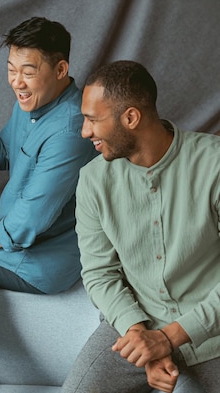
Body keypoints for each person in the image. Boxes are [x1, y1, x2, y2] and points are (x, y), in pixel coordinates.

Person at [62, 61, 220, 393]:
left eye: (93, 120)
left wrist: (167, 338)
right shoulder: (92, 181)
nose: (85, 132)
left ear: (131, 118)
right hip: (134, 322)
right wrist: (139, 336)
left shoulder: (214, 163)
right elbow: (98, 273)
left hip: (212, 330)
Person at [0, 16, 96, 294]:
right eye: (11, 70)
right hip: (11, 238)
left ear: (61, 69)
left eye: (28, 72)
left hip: (40, 261)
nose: (17, 82)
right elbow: (5, 152)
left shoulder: (71, 129)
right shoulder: (32, 104)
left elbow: (35, 215)